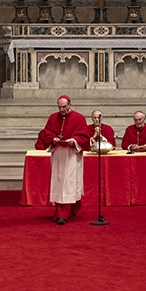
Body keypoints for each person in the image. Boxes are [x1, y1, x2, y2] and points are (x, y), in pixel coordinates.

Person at [35, 95, 90, 224]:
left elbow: (84, 137)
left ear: (70, 105)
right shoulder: (53, 117)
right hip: (58, 153)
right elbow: (46, 133)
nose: (62, 109)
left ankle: (63, 214)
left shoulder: (79, 118)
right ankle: (64, 211)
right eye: (59, 107)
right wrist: (52, 139)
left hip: (71, 154)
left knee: (69, 183)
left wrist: (74, 140)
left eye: (64, 107)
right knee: (59, 182)